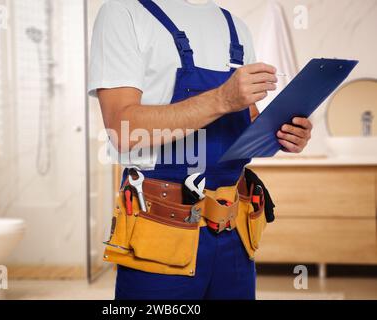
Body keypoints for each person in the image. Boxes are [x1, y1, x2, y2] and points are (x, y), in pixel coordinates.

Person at [88, 0, 312, 300]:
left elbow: (246, 119)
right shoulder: (124, 12)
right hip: (161, 227)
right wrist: (221, 98)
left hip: (234, 230)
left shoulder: (236, 26)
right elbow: (122, 129)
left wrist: (282, 132)